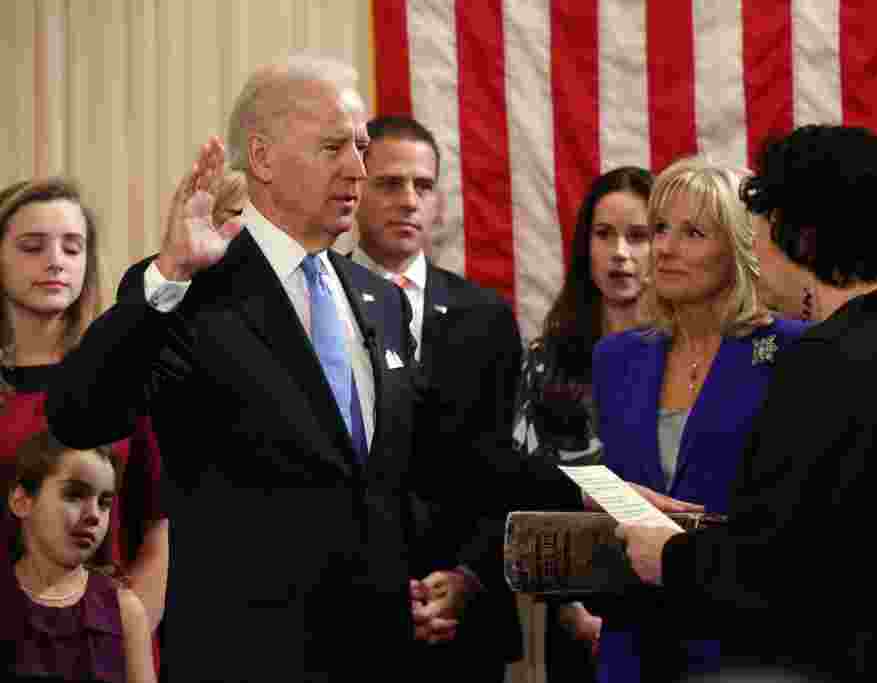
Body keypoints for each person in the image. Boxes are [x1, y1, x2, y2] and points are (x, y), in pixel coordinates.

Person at [44, 55, 594, 681]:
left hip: (378, 657)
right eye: (334, 147)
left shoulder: (380, 300)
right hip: (245, 660)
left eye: (359, 147)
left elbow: (454, 460)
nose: (359, 170)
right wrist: (169, 275)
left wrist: (602, 496)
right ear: (264, 156)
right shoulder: (191, 289)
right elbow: (79, 414)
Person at [617, 125, 877, 681]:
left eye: (758, 235)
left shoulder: (825, 362)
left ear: (799, 235)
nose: (756, 257)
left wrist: (666, 557)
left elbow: (786, 574)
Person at [590, 157, 807, 682]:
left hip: (744, 646)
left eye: (693, 233)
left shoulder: (793, 351)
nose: (664, 247)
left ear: (738, 248)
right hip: (633, 644)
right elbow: (599, 478)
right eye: (660, 228)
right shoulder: (617, 356)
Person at [353, 115, 523, 679]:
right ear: (355, 188)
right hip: (349, 618)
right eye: (389, 183)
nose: (408, 200)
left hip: (465, 620)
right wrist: (378, 592)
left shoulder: (488, 318)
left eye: (422, 187)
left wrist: (468, 576)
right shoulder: (316, 304)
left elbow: (500, 470)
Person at [0, 178, 167, 649]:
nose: (55, 261)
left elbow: (157, 525)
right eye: (32, 246)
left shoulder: (123, 375)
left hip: (103, 642)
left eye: (72, 248)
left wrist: (129, 636)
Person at [510, 166, 653, 682]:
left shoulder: (692, 357)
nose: (621, 253)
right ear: (583, 247)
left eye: (638, 236)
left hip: (672, 597)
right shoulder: (546, 360)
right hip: (568, 608)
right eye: (604, 234)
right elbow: (523, 494)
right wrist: (573, 613)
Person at [6, 430, 155, 683]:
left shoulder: (123, 611)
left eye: (104, 502)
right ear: (22, 501)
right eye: (74, 494)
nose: (94, 514)